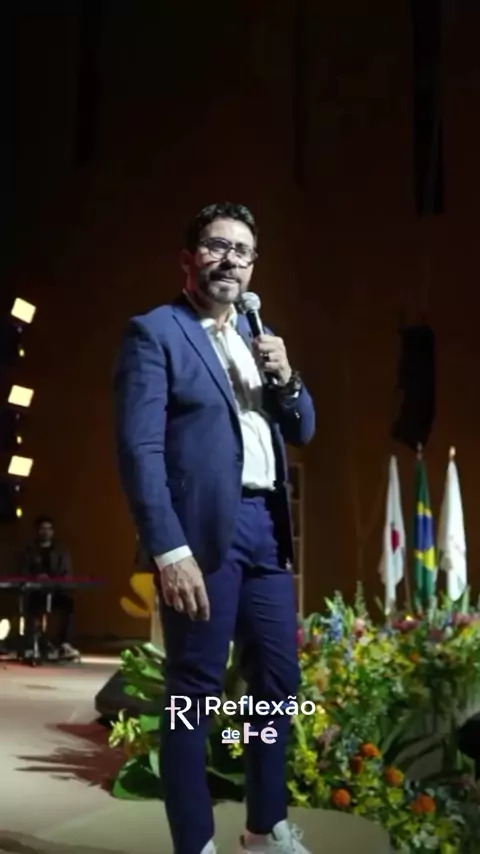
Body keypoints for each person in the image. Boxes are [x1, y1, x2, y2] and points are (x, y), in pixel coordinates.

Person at [114, 202, 315, 854]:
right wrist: (169, 550)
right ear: (188, 258)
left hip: (267, 529)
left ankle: (264, 828)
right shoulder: (156, 332)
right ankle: (196, 843)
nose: (230, 260)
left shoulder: (261, 333)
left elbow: (303, 429)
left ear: (254, 266)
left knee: (277, 684)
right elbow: (139, 449)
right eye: (216, 246)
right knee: (194, 692)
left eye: (242, 251)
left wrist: (287, 378)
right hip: (201, 533)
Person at [19, 515, 79, 659]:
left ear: (52, 531)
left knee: (68, 604)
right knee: (28, 606)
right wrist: (36, 578)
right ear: (38, 531)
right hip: (35, 592)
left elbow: (66, 572)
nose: (46, 532)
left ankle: (64, 644)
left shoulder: (61, 551)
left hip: (56, 591)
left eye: (49, 529)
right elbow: (23, 571)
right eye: (43, 528)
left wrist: (53, 581)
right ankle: (30, 645)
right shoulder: (30, 550)